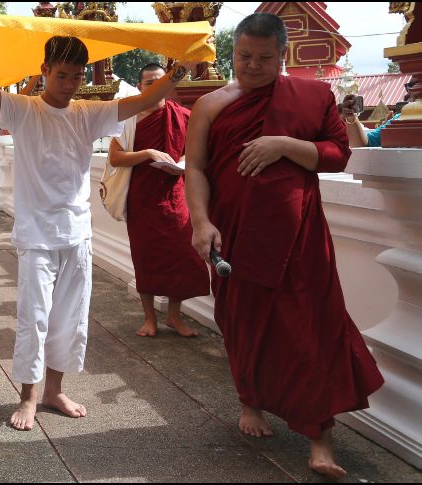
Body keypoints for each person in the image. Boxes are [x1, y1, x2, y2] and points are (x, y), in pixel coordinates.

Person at [0, 11, 196, 432]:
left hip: (77, 233)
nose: (70, 84)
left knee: (71, 317)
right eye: (62, 76)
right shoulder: (22, 110)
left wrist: (180, 69)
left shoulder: (88, 113)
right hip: (37, 236)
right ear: (45, 70)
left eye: (76, 77)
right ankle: (29, 396)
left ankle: (54, 390)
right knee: (34, 316)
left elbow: (145, 101)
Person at [185, 13, 384, 480]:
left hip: (300, 236)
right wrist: (200, 222)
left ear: (283, 56)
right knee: (243, 321)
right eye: (243, 57)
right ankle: (250, 401)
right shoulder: (212, 105)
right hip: (234, 231)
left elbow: (337, 153)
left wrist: (284, 144)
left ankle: (320, 437)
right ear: (231, 52)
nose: (252, 66)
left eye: (264, 58)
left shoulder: (312, 96)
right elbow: (195, 167)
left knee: (313, 326)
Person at [108, 63, 209, 338]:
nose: (154, 87)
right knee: (145, 257)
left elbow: (197, 156)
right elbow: (115, 158)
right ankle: (149, 318)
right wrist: (149, 153)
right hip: (142, 198)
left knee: (182, 255)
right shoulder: (127, 121)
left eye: (159, 81)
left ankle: (174, 317)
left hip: (175, 195)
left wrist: (179, 164)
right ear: (140, 87)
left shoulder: (183, 116)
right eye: (148, 83)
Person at [341, 80, 417, 147]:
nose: (415, 89)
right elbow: (363, 144)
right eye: (411, 85)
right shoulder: (398, 119)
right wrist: (352, 118)